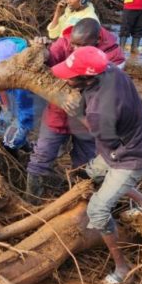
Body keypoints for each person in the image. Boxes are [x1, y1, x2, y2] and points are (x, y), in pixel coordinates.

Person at [50, 45, 142, 284]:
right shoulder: (110, 69)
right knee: (96, 174)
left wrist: (78, 114)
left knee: (97, 208)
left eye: (71, 76)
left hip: (133, 154)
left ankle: (121, 268)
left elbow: (102, 135)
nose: (65, 78)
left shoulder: (100, 109)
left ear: (87, 77)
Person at [27, 18, 126, 203]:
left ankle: (77, 202)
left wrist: (80, 106)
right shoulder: (68, 39)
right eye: (72, 44)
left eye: (79, 46)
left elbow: (109, 92)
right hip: (58, 109)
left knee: (84, 163)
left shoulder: (113, 56)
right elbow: (50, 59)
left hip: (90, 116)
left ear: (96, 42)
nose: (73, 48)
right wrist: (41, 50)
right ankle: (31, 201)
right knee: (41, 155)